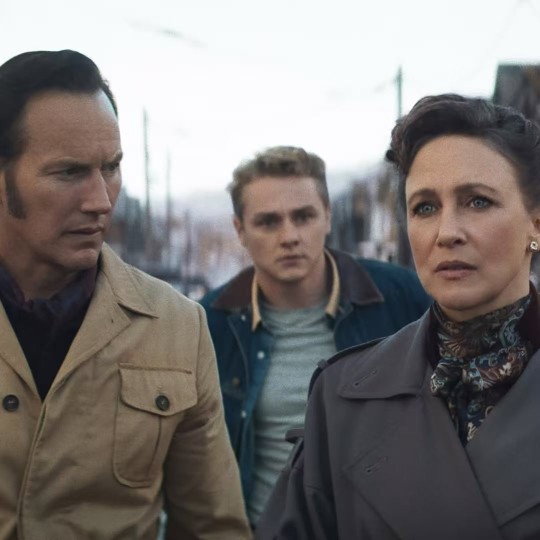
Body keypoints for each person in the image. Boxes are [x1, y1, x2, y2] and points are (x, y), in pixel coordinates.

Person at [257, 93, 540, 540]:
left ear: (535, 224)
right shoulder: (343, 398)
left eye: (477, 201)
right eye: (425, 207)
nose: (447, 233)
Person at [0, 49, 251, 540]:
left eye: (111, 168)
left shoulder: (176, 327)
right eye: (69, 172)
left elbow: (213, 527)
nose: (101, 201)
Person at [199, 145, 431, 525]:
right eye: (268, 222)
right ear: (240, 230)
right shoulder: (210, 323)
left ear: (327, 215)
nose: (289, 236)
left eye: (303, 216)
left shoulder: (402, 297)